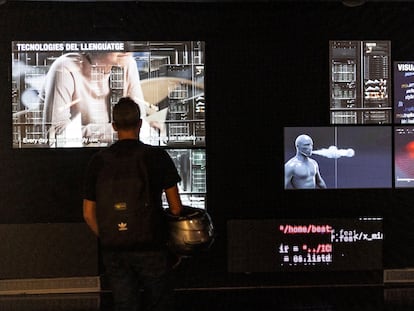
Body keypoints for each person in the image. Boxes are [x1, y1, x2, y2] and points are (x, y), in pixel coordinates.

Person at [82, 96, 183, 311]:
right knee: (160, 302)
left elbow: (88, 213)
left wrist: (109, 236)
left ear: (114, 126)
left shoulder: (98, 161)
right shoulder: (157, 157)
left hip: (114, 249)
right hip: (152, 246)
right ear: (140, 123)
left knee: (124, 304)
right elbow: (175, 207)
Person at [40, 51, 159, 147]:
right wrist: (119, 131)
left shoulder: (127, 63)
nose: (127, 47)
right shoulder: (65, 67)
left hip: (116, 157)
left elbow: (139, 122)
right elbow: (55, 135)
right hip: (74, 158)